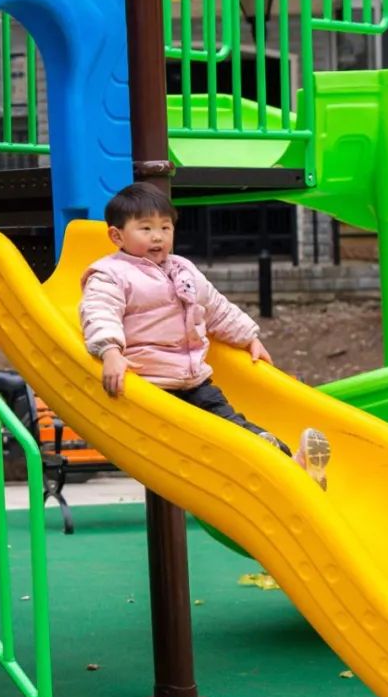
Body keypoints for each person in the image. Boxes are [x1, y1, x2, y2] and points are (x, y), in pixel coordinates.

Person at [79, 182, 330, 489]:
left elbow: (215, 307)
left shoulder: (184, 269)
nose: (158, 236)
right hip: (152, 386)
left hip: (195, 380)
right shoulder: (110, 275)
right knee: (216, 438)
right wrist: (110, 351)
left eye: (165, 227)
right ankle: (276, 463)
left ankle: (292, 463)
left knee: (231, 424)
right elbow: (99, 313)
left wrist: (248, 337)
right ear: (117, 236)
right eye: (146, 228)